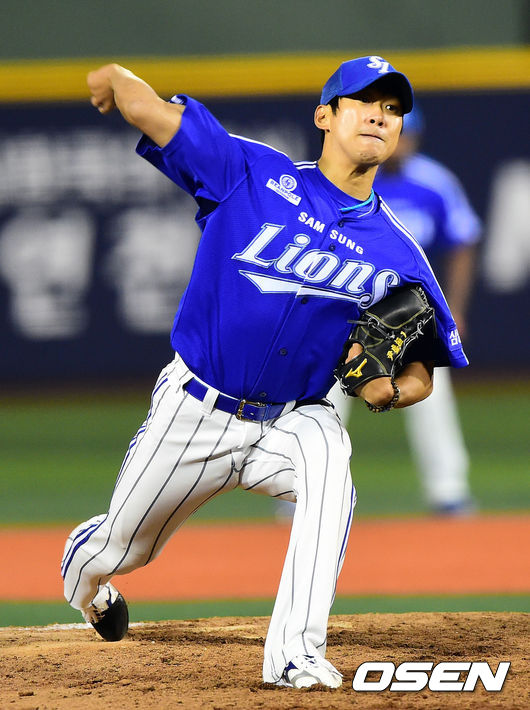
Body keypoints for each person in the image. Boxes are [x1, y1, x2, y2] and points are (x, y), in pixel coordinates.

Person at [61, 56, 468, 689]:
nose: (380, 117)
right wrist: (116, 78)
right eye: (364, 102)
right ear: (324, 116)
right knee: (122, 547)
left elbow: (424, 367)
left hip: (292, 418)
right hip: (195, 412)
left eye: (392, 109)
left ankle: (295, 656)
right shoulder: (253, 174)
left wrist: (389, 391)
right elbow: (157, 115)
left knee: (331, 469)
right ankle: (86, 576)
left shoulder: (400, 254)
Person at [322, 106, 480, 514]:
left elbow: (462, 241)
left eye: (407, 135)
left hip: (410, 315)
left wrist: (453, 309)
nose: (400, 143)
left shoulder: (434, 183)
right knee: (325, 402)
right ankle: (302, 490)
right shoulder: (346, 179)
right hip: (347, 312)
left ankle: (448, 491)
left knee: (432, 397)